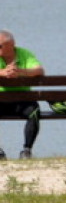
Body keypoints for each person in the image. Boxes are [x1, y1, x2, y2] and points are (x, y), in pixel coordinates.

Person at [0, 30, 45, 160]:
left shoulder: (24, 54)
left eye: (0, 45)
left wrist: (20, 72)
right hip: (1, 100)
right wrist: (3, 73)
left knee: (34, 112)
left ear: (11, 44)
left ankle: (27, 150)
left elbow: (39, 70)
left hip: (22, 100)